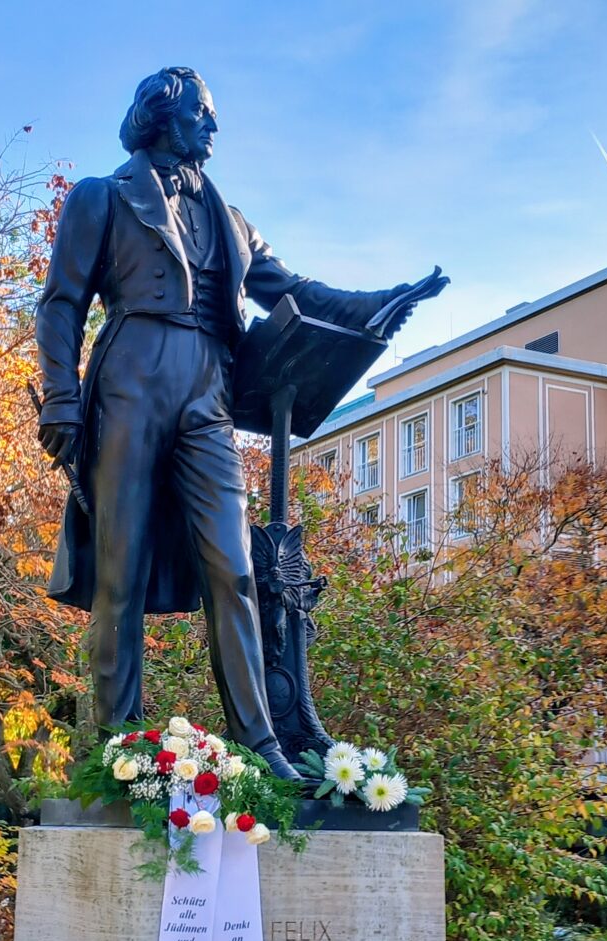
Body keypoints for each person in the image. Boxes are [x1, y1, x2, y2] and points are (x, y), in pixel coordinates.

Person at [36, 67, 414, 779]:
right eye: (202, 114)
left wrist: (380, 301)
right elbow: (60, 304)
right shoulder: (102, 196)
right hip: (130, 377)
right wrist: (60, 397)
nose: (213, 128)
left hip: (207, 389)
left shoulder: (231, 220)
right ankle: (121, 746)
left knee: (233, 565)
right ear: (160, 116)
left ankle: (262, 743)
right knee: (121, 568)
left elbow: (295, 290)